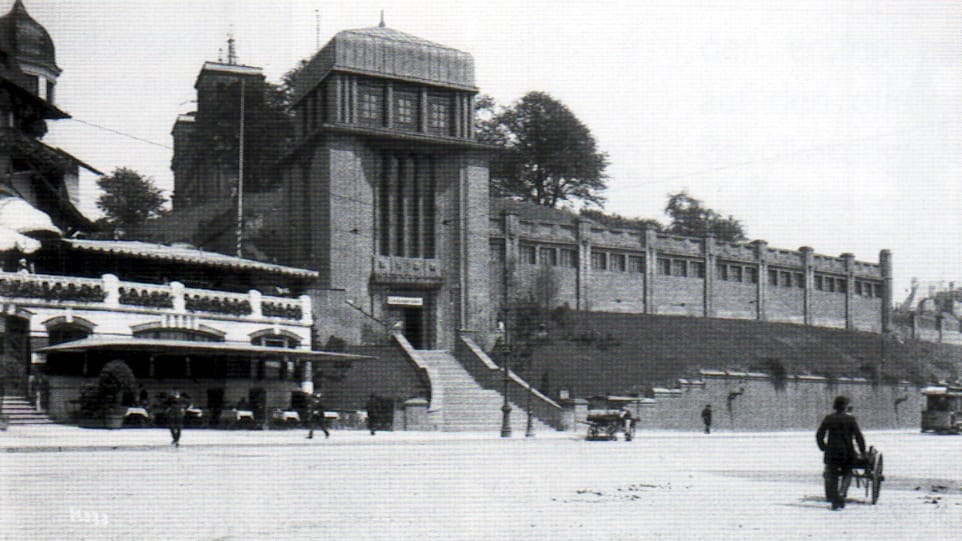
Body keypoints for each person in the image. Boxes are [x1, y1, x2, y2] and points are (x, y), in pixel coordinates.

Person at [816, 395, 866, 510]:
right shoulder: (850, 419)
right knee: (847, 473)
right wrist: (863, 451)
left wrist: (823, 447)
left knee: (833, 475)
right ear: (845, 407)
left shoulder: (828, 418)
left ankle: (835, 497)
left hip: (832, 452)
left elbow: (819, 435)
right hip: (847, 452)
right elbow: (858, 436)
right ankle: (842, 494)